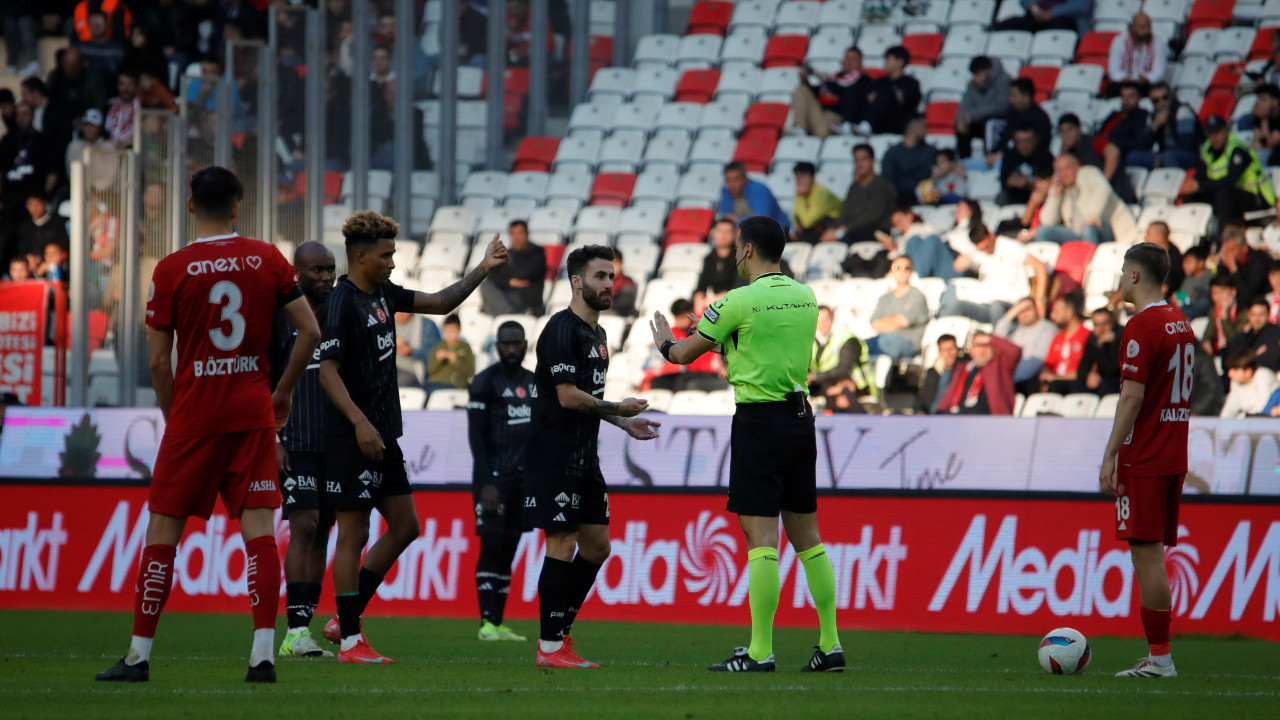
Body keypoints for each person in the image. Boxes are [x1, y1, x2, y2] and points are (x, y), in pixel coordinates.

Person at [94, 167, 320, 684]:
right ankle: (263, 656)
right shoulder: (266, 258)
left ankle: (137, 656)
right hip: (251, 415)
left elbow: (157, 362)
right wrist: (279, 393)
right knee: (259, 532)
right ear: (238, 207)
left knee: (163, 534)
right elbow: (309, 331)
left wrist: (179, 420)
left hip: (194, 419)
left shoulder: (172, 268)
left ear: (189, 204)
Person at [650, 216, 844, 673]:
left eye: (738, 248)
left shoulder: (736, 301)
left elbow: (682, 355)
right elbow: (768, 345)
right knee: (809, 539)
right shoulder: (805, 296)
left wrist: (664, 342)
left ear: (749, 250)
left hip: (760, 421)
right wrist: (724, 336)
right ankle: (831, 644)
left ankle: (760, 651)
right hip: (801, 419)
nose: (735, 254)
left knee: (761, 540)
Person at [318, 215, 508, 664]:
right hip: (352, 436)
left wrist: (483, 268)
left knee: (406, 526)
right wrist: (360, 423)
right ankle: (349, 639)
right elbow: (327, 372)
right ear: (361, 256)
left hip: (385, 437)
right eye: (385, 255)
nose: (392, 261)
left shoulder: (384, 294)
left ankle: (343, 619)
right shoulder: (342, 302)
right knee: (354, 531)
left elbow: (441, 303)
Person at [525, 244, 660, 669]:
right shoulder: (561, 330)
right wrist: (618, 409)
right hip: (555, 455)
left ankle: (559, 631)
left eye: (612, 277)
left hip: (586, 457)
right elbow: (567, 397)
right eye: (601, 276)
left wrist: (622, 424)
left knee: (597, 547)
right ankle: (550, 646)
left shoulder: (599, 335)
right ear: (578, 281)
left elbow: (590, 401)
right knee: (562, 543)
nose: (609, 285)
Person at [1098, 241, 1195, 678]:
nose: (1120, 280)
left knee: (1148, 557)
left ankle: (1160, 659)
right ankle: (1159, 657)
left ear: (1135, 276)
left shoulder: (1141, 326)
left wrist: (1111, 453)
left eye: (1122, 272)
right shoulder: (1180, 322)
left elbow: (1132, 396)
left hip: (1147, 454)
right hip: (1173, 450)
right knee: (1153, 555)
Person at [269, 241, 338, 659]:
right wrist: (272, 437)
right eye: (316, 270)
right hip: (294, 440)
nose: (326, 277)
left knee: (323, 531)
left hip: (334, 443)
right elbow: (264, 377)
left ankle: (303, 631)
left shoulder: (342, 311)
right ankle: (294, 630)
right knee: (305, 526)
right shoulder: (281, 318)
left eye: (330, 269)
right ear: (297, 273)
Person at [467, 320, 537, 643]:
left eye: (516, 343)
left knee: (509, 550)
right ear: (497, 347)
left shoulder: (536, 384)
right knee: (492, 545)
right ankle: (485, 623)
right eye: (505, 344)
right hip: (493, 480)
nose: (511, 349)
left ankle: (497, 622)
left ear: (525, 345)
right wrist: (486, 484)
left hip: (523, 483)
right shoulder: (485, 383)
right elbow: (476, 439)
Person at [943, 221, 1050, 323]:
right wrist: (964, 258)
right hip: (986, 305)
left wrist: (1040, 300)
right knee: (954, 306)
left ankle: (997, 340)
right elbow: (965, 259)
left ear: (991, 235)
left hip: (1011, 305)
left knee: (996, 306)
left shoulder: (1009, 246)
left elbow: (1040, 266)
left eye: (987, 246)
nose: (986, 250)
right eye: (982, 248)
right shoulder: (980, 254)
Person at [1180, 115, 1276, 223]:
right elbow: (1201, 174)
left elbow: (1230, 180)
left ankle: (1229, 229)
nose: (1214, 138)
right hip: (1228, 197)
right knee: (1190, 193)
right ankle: (1192, 227)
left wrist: (1200, 186)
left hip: (1256, 196)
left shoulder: (1237, 148)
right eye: (1210, 134)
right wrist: (1194, 184)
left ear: (1226, 131)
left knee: (1222, 192)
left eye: (1217, 133)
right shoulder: (1207, 150)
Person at [1037, 153, 1140, 245]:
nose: (1063, 174)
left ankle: (1088, 265)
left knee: (1088, 229)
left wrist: (1092, 217)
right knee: (1043, 231)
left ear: (1077, 167)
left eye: (1067, 168)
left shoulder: (1088, 172)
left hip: (1108, 227)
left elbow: (1103, 189)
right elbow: (1047, 221)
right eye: (1059, 170)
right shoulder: (1059, 187)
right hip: (1077, 233)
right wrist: (1056, 196)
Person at [790, 46, 872, 139]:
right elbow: (820, 91)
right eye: (847, 58)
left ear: (860, 62)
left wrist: (823, 78)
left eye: (853, 59)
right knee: (802, 89)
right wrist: (806, 81)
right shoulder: (836, 77)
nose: (849, 62)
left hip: (836, 114)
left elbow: (845, 91)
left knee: (821, 131)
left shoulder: (862, 79)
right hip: (819, 110)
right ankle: (800, 128)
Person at [819, 144, 895, 244]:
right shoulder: (854, 187)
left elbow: (872, 217)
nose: (859, 164)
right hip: (850, 230)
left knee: (847, 238)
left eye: (863, 159)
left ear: (872, 161)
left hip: (874, 232)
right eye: (856, 160)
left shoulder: (882, 185)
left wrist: (842, 230)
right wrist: (833, 229)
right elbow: (844, 213)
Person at [809, 305, 878, 412]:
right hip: (825, 383)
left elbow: (843, 369)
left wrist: (814, 377)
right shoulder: (812, 340)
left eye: (826, 319)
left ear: (832, 319)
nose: (822, 324)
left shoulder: (847, 339)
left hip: (857, 386)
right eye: (819, 320)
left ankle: (861, 423)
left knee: (841, 390)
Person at [936, 332, 1022, 415]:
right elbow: (947, 397)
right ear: (971, 350)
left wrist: (989, 338)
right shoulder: (963, 368)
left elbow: (1015, 351)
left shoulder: (1000, 365)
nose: (983, 349)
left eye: (986, 344)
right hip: (958, 417)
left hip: (988, 420)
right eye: (978, 345)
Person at [867, 256, 930, 361]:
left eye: (907, 268)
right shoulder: (884, 298)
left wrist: (886, 320)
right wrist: (896, 321)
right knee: (858, 347)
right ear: (891, 270)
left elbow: (904, 321)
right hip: (881, 340)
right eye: (897, 267)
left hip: (907, 345)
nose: (902, 271)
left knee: (881, 356)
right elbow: (874, 324)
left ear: (911, 271)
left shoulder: (917, 296)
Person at [1130, 82, 1202, 171]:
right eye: (1156, 101)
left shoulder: (1183, 111)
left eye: (1165, 98)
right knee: (1132, 157)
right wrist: (1154, 126)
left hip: (1191, 155)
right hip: (1165, 155)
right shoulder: (1154, 117)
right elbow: (1142, 147)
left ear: (1171, 96)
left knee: (1169, 156)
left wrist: (1161, 158)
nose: (1162, 103)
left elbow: (1185, 145)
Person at [481, 220, 546, 316]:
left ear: (527, 234)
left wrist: (506, 278)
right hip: (509, 295)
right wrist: (509, 282)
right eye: (513, 234)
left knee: (488, 307)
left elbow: (524, 273)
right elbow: (492, 275)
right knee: (486, 285)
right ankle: (510, 313)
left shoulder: (537, 252)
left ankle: (507, 314)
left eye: (520, 233)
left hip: (527, 297)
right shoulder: (508, 253)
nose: (517, 238)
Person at [993, 297, 1060, 389]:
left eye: (1027, 309)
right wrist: (1015, 310)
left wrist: (1006, 379)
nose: (1024, 313)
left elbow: (1037, 362)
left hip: (1031, 380)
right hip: (1008, 378)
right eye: (1020, 310)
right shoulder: (1016, 329)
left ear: (1037, 309)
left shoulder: (1048, 328)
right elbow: (997, 337)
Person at [987, 78, 1053, 168]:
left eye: (1014, 96)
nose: (1011, 100)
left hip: (1022, 163)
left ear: (1026, 97)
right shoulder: (1012, 114)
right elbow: (1004, 139)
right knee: (967, 164)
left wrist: (1003, 155)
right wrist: (993, 153)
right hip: (1002, 157)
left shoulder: (1040, 118)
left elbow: (1035, 148)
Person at [955, 55, 1012, 160]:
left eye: (978, 74)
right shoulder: (972, 85)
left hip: (1001, 121)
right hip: (980, 121)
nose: (975, 78)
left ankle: (989, 158)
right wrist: (961, 120)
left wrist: (972, 116)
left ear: (988, 71)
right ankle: (964, 161)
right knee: (962, 127)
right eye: (974, 75)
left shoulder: (1004, 80)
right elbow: (964, 105)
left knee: (988, 123)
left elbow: (1002, 107)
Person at [1095, 81, 1152, 182]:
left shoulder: (1141, 116)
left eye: (1131, 96)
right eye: (1123, 96)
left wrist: (1112, 140)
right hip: (1100, 149)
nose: (1126, 100)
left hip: (1118, 154)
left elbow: (1137, 142)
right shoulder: (1114, 115)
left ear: (1139, 98)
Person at [859, 46, 921, 136]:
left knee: (887, 93)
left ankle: (867, 125)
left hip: (898, 123)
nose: (885, 63)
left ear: (900, 62)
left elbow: (908, 103)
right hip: (879, 123)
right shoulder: (880, 81)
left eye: (888, 59)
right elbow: (868, 96)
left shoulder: (911, 83)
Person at [883, 203, 955, 280]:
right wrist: (891, 250)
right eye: (895, 223)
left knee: (917, 240)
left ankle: (915, 276)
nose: (899, 224)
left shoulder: (924, 228)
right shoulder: (900, 239)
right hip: (910, 268)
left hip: (934, 266)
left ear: (909, 215)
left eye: (900, 219)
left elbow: (940, 242)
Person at [1040, 292, 1092, 394]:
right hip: (1054, 383)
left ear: (1069, 312)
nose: (1052, 315)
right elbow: (1048, 364)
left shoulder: (1087, 336)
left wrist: (1056, 377)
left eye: (1056, 312)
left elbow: (1085, 371)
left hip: (1075, 386)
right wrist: (1045, 375)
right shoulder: (1057, 337)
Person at [1107, 12, 1166, 96]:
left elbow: (1158, 72)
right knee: (1112, 89)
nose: (1147, 30)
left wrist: (1145, 79)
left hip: (1146, 84)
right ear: (1132, 28)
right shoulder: (1119, 41)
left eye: (1148, 26)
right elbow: (1114, 71)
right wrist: (1127, 79)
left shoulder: (1158, 42)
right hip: (1124, 83)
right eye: (1142, 27)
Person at [719, 161, 789, 230]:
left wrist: (738, 219)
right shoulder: (726, 190)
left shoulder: (760, 189)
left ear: (745, 178)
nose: (731, 185)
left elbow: (761, 221)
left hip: (778, 232)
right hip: (747, 232)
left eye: (736, 180)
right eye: (728, 180)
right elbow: (726, 218)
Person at [881, 116, 935, 203]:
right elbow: (887, 180)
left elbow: (944, 163)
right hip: (900, 198)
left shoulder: (930, 151)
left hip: (926, 195)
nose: (927, 130)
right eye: (924, 126)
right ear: (912, 128)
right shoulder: (892, 153)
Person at [998, 123, 1054, 204]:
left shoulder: (1045, 156)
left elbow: (1049, 185)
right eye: (1020, 141)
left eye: (1028, 141)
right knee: (1001, 198)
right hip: (1014, 197)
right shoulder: (1009, 156)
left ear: (1036, 140)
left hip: (1038, 197)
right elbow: (1004, 182)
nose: (1024, 145)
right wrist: (1010, 182)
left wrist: (1027, 184)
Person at [1217, 227, 1273, 305]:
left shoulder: (1259, 261)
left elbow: (1249, 294)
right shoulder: (1225, 264)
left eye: (1232, 250)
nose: (1229, 254)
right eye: (1226, 250)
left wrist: (1234, 269)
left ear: (1244, 248)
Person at [790, 161, 842, 244]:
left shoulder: (821, 193)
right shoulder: (802, 192)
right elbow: (795, 218)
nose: (799, 180)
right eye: (797, 175)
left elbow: (807, 222)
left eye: (803, 175)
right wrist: (793, 230)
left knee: (806, 240)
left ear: (812, 177)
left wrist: (800, 198)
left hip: (833, 228)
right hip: (817, 227)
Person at [1076, 307, 1124, 396]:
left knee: (1106, 384)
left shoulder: (1123, 335)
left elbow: (1112, 370)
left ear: (1113, 323)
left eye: (1105, 324)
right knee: (1076, 385)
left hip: (1120, 382)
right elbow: (1081, 369)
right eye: (1097, 325)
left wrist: (1101, 346)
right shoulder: (1093, 339)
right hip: (1101, 380)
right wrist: (1089, 375)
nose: (1101, 328)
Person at [15, 194, 69, 269]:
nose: (34, 208)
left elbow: (62, 246)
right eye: (31, 204)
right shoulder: (24, 227)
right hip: (30, 267)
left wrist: (42, 259)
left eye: (37, 204)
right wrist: (28, 258)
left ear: (45, 203)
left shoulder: (57, 222)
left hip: (53, 265)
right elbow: (21, 250)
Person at [1220, 349, 1278, 418]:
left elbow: (1261, 409)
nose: (1230, 374)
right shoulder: (1236, 382)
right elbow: (1231, 406)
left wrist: (1241, 418)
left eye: (1235, 370)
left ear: (1248, 371)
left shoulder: (1263, 376)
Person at [425, 314, 475, 392]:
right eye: (446, 331)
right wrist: (437, 359)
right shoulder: (438, 346)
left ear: (459, 330)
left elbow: (470, 372)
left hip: (454, 385)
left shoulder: (465, 347)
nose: (448, 335)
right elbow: (430, 371)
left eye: (452, 331)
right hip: (435, 383)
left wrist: (455, 361)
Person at [697, 219, 743, 303]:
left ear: (735, 234)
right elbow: (702, 285)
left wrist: (714, 299)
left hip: (735, 301)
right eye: (719, 231)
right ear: (713, 233)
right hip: (714, 301)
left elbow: (739, 287)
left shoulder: (741, 257)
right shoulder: (709, 258)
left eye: (727, 232)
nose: (723, 235)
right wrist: (698, 300)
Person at [1226, 299, 1280, 371]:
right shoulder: (1242, 336)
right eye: (1253, 314)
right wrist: (1254, 355)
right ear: (1248, 315)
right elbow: (1230, 360)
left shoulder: (1275, 333)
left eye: (1261, 314)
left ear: (1268, 315)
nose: (1257, 319)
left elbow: (1270, 358)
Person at [1203, 273, 1245, 358]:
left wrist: (1225, 316)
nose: (1218, 297)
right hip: (1218, 352)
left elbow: (1235, 340)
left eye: (1222, 292)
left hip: (1236, 354)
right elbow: (1208, 333)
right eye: (1215, 293)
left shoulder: (1243, 310)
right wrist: (1206, 342)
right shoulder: (1214, 310)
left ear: (1233, 292)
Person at [918, 334, 960, 414]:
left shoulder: (963, 370)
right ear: (940, 352)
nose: (949, 353)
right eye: (945, 350)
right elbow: (923, 399)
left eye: (952, 348)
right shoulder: (933, 372)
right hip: (932, 416)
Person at [104, 69, 139, 149]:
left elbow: (143, 133)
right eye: (122, 84)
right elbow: (106, 131)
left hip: (132, 149)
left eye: (129, 84)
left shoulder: (142, 107)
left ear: (135, 86)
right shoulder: (110, 105)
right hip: (111, 147)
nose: (126, 88)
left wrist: (127, 143)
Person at [1177, 246, 1213, 320]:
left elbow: (1204, 301)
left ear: (1200, 263)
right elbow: (1180, 296)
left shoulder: (1209, 278)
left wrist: (1185, 298)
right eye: (1184, 262)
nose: (1184, 266)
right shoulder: (1188, 278)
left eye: (1188, 262)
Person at [608, 248, 637, 316]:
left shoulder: (627, 283)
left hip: (618, 316)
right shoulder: (600, 281)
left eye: (614, 264)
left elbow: (622, 305)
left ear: (621, 264)